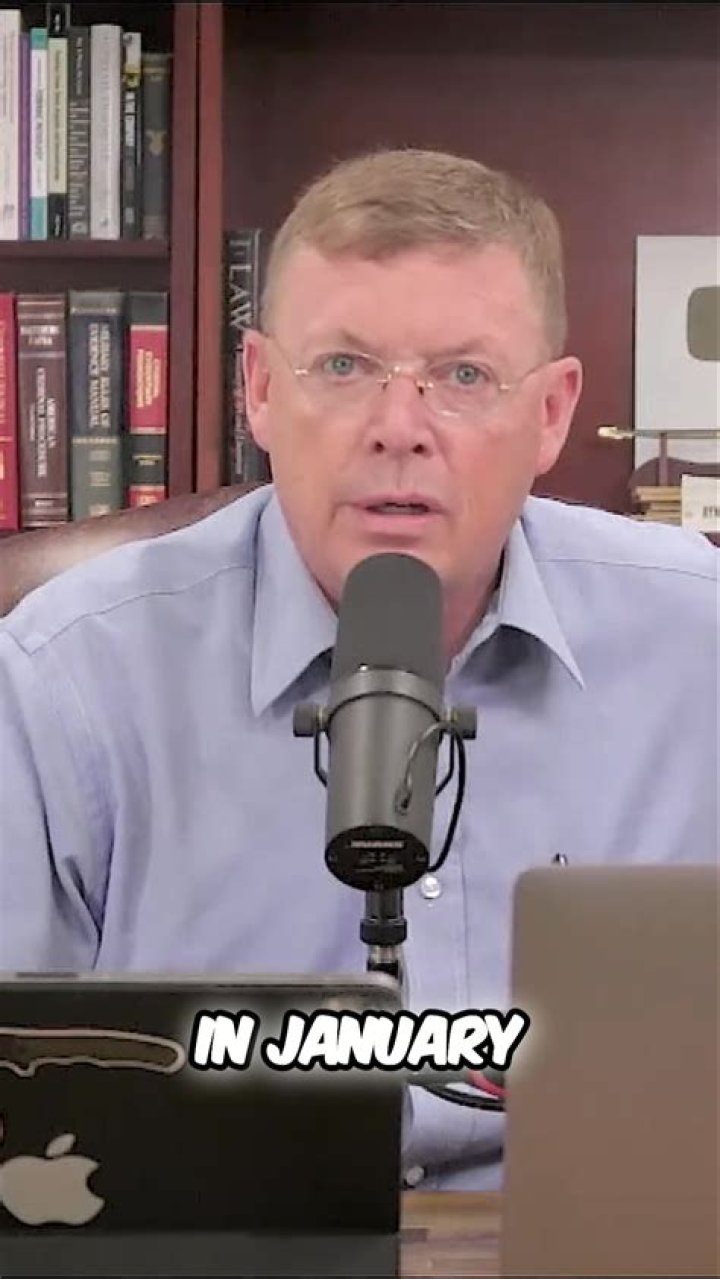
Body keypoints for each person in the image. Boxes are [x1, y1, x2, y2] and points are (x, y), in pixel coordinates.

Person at [0, 149, 716, 1192]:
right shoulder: (68, 675)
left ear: (553, 413)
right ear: (258, 389)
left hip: (606, 1236)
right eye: (343, 367)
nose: (398, 430)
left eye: (464, 377)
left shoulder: (697, 641)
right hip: (217, 1240)